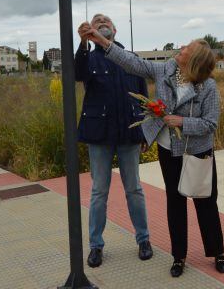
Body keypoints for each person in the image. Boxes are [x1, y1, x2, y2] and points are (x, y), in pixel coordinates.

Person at [80, 23, 224, 278]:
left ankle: (218, 252)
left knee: (205, 202)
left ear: (193, 61)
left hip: (198, 152)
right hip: (169, 150)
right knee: (175, 203)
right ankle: (178, 257)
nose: (181, 48)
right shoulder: (165, 70)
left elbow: (211, 123)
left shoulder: (208, 87)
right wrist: (102, 42)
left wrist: (182, 122)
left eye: (186, 49)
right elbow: (132, 63)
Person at [75, 14, 152, 268]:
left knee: (134, 189)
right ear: (91, 31)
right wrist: (84, 43)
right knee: (99, 192)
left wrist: (145, 132)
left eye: (106, 20)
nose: (102, 22)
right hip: (100, 135)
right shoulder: (89, 57)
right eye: (96, 22)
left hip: (129, 133)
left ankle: (144, 239)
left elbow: (144, 97)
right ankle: (95, 246)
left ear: (115, 29)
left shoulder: (129, 59)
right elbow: (76, 74)